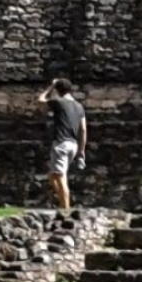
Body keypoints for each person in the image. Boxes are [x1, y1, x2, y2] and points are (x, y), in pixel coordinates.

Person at [37, 78, 87, 212]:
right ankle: (62, 203)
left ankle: (66, 209)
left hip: (61, 143)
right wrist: (82, 150)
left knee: (60, 177)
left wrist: (50, 87)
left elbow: (40, 101)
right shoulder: (79, 106)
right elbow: (83, 129)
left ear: (57, 90)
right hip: (73, 144)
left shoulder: (58, 102)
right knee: (53, 176)